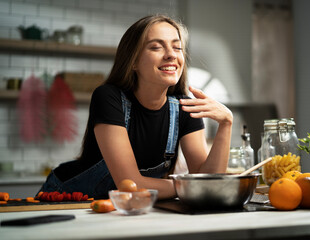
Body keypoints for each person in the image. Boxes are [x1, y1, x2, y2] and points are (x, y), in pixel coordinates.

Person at [39, 15, 233, 200]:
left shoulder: (185, 107)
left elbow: (208, 180)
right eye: (157, 47)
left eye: (177, 47)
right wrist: (191, 187)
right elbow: (129, 183)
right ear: (133, 62)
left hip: (127, 206)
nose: (171, 55)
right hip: (67, 198)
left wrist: (226, 123)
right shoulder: (108, 97)